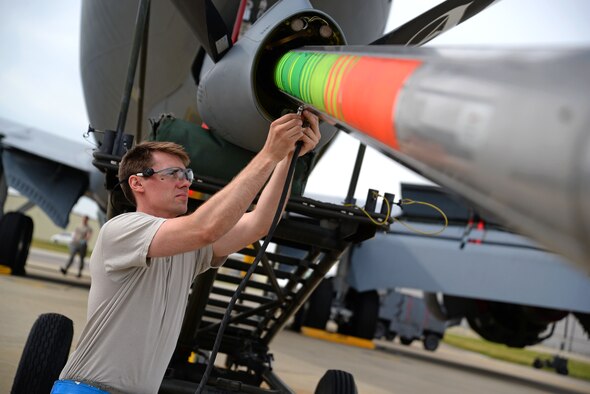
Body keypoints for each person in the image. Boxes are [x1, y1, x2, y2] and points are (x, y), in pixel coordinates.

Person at [51, 110, 320, 394]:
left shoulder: (187, 248)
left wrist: (289, 157)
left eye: (186, 174)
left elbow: (259, 222)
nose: (185, 182)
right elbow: (205, 228)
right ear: (137, 182)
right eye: (172, 174)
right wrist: (268, 154)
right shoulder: (122, 229)